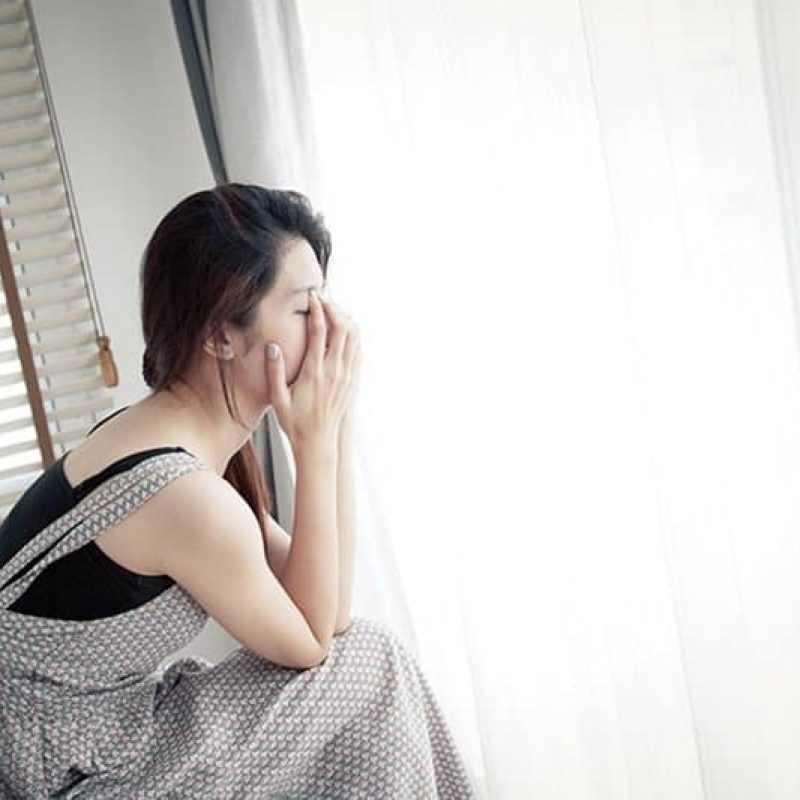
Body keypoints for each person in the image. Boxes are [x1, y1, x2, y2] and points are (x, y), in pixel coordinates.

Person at [0, 184, 477, 798]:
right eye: (306, 309)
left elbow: (327, 613)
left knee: (367, 655)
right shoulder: (184, 495)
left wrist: (335, 426)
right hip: (68, 774)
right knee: (372, 665)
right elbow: (310, 643)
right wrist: (314, 442)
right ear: (221, 334)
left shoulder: (181, 446)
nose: (332, 328)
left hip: (105, 736)